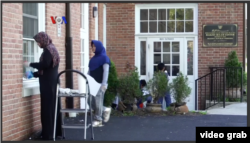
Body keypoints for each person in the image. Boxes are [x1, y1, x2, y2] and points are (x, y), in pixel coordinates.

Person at [23, 32, 62, 140]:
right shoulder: (51, 49)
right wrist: (33, 75)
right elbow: (46, 69)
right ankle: (53, 132)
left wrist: (30, 64)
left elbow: (44, 65)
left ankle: (48, 134)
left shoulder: (48, 51)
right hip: (51, 82)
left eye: (38, 42)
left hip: (48, 85)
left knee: (47, 109)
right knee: (52, 108)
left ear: (43, 40)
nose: (38, 44)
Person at [87, 40, 111, 127]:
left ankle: (98, 120)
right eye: (92, 46)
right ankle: (105, 110)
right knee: (90, 101)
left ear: (99, 47)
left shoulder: (104, 58)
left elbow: (106, 71)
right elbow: (90, 71)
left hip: (100, 84)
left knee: (98, 101)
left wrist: (104, 84)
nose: (93, 48)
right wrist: (86, 79)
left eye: (94, 46)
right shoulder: (92, 60)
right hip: (92, 84)